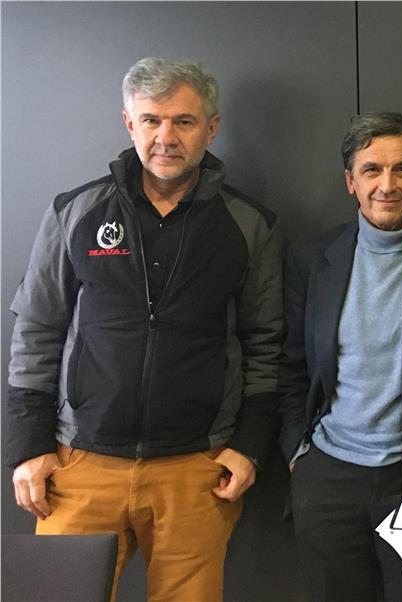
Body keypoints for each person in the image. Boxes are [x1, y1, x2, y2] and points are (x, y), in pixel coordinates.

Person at [5, 57, 282, 600]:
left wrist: (249, 446)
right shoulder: (75, 212)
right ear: (129, 123)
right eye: (152, 120)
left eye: (184, 121)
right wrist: (28, 446)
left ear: (211, 127)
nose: (166, 137)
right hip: (79, 463)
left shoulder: (250, 225)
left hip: (196, 471)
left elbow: (265, 343)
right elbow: (36, 330)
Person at [278, 111, 402, 601]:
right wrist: (300, 456)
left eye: (401, 169)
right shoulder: (312, 258)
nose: (387, 185)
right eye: (371, 170)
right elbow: (291, 367)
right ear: (351, 181)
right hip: (327, 478)